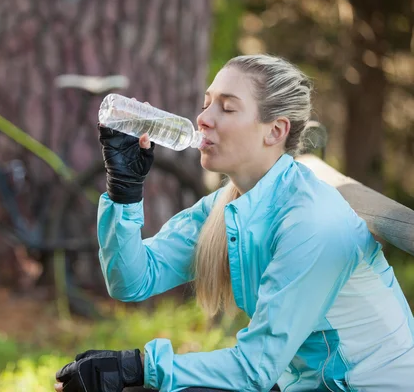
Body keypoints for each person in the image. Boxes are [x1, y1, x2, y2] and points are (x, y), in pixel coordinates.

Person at [54, 54, 414, 392]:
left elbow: (254, 368)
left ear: (274, 131)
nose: (204, 119)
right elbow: (131, 281)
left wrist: (136, 367)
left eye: (226, 108)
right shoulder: (232, 203)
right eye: (206, 104)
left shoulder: (312, 222)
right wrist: (124, 191)